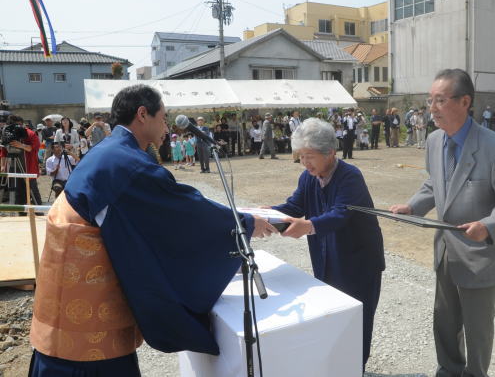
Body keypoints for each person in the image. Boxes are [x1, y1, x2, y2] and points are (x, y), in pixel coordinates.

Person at [28, 84, 276, 376]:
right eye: (164, 117)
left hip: (64, 293)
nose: (166, 126)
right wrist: (243, 224)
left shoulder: (110, 151)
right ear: (143, 114)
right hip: (86, 317)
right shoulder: (127, 163)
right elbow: (183, 213)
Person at [389, 69, 495, 377]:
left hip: (480, 257)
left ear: (465, 101)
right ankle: (448, 370)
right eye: (430, 100)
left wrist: (489, 225)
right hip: (445, 253)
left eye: (440, 100)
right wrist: (413, 205)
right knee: (445, 321)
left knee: (478, 330)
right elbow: (435, 184)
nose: (432, 108)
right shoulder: (434, 141)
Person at [269, 118, 385, 370]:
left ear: (330, 152)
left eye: (309, 156)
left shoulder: (350, 176)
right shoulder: (308, 177)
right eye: (300, 156)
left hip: (358, 262)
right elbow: (294, 206)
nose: (304, 163)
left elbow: (339, 215)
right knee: (332, 317)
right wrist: (265, 214)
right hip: (326, 258)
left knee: (357, 322)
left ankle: (355, 370)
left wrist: (308, 227)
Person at [7, 115, 43, 207]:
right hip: (15, 167)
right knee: (19, 192)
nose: (14, 127)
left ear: (21, 124)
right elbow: (3, 151)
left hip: (29, 167)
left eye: (16, 125)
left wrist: (21, 145)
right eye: (12, 125)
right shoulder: (9, 134)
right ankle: (21, 213)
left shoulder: (30, 133)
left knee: (33, 191)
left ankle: (38, 212)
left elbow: (35, 147)